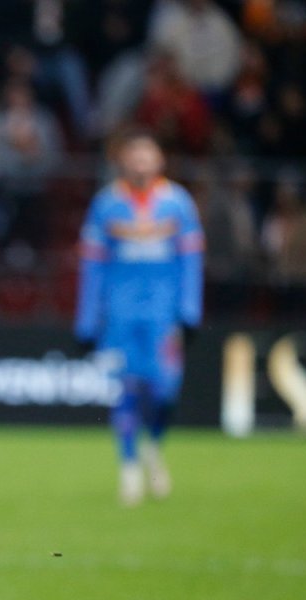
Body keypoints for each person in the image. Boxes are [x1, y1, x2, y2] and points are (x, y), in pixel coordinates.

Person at [74, 129, 204, 506]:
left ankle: (153, 447)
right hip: (121, 316)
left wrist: (190, 311)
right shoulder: (106, 205)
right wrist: (87, 319)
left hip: (164, 318)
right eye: (135, 157)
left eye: (148, 156)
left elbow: (191, 261)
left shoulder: (178, 204)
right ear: (124, 163)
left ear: (159, 161)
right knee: (127, 391)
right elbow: (93, 266)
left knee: (165, 392)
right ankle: (129, 468)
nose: (141, 163)